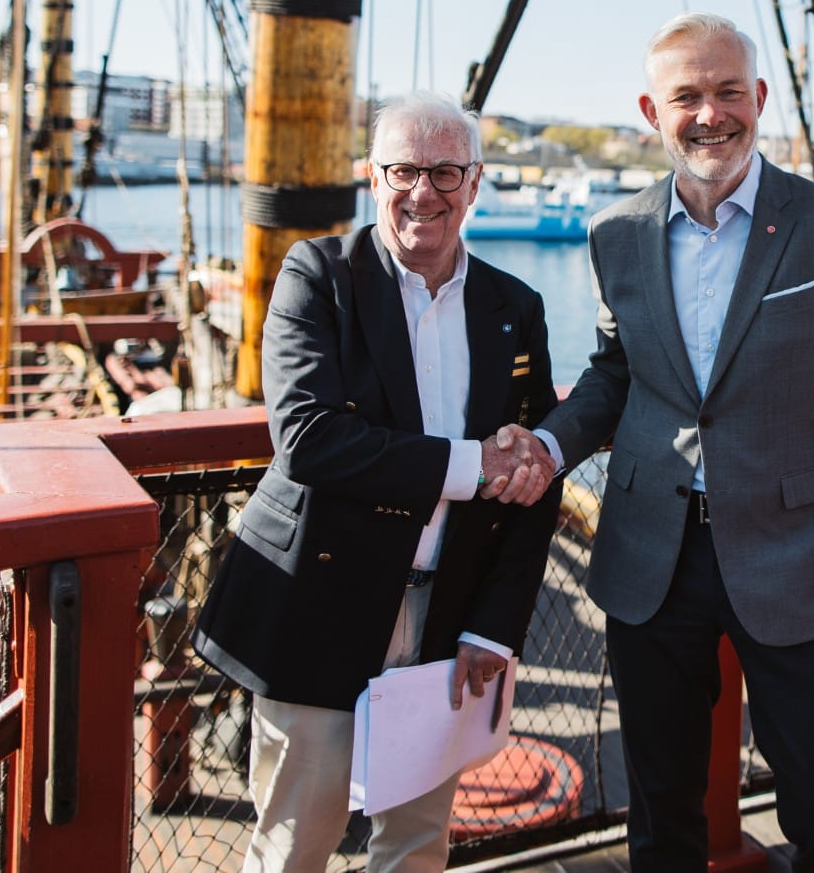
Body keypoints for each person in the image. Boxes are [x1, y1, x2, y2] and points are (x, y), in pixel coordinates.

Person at [518, 13, 814, 872]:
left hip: (802, 556)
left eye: (728, 92)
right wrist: (550, 447)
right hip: (653, 555)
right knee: (660, 815)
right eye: (686, 96)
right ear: (650, 111)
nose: (710, 114)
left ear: (759, 98)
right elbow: (616, 373)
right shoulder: (616, 233)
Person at [194, 90, 561, 873]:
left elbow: (535, 473)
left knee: (417, 842)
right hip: (317, 604)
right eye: (402, 169)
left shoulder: (514, 307)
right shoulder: (317, 275)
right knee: (297, 838)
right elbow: (309, 439)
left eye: (445, 171)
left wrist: (495, 625)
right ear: (372, 176)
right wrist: (471, 465)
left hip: (445, 616)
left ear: (475, 180)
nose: (422, 191)